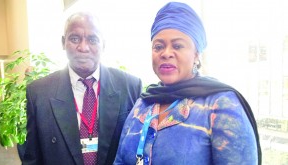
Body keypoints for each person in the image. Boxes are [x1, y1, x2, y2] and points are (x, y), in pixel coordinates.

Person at [114, 2, 261, 165]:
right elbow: (120, 160)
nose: (166, 53)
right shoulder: (143, 103)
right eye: (158, 46)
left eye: (177, 45)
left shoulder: (221, 104)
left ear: (196, 54)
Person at [20, 12, 142, 165]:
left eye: (92, 39)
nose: (83, 47)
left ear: (103, 44)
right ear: (63, 42)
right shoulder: (38, 93)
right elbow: (33, 157)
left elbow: (138, 150)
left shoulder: (130, 86)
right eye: (74, 38)